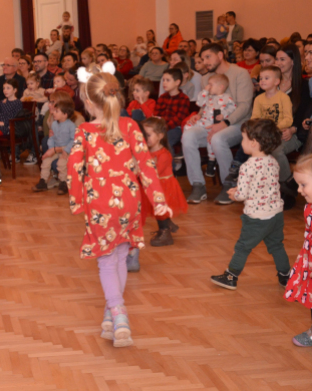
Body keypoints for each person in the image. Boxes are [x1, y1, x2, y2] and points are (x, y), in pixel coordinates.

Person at [67, 70, 170, 348]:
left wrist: (77, 201)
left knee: (105, 260)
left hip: (99, 202)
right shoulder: (131, 125)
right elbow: (146, 164)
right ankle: (111, 315)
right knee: (121, 256)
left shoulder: (85, 130)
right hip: (128, 200)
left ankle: (119, 313)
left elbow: (74, 168)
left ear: (88, 103)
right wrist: (158, 199)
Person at [210, 119, 288, 291]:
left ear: (253, 143)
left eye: (243, 139)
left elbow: (242, 194)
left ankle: (231, 276)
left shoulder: (247, 167)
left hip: (257, 217)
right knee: (277, 245)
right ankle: (285, 276)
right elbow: (263, 185)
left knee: (243, 247)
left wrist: (233, 193)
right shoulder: (273, 162)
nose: (241, 142)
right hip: (275, 214)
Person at [183, 43, 254, 204]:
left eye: (208, 57)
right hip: (210, 122)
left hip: (238, 124)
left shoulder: (240, 73)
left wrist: (225, 123)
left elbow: (245, 105)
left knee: (218, 138)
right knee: (188, 136)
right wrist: (198, 115)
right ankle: (198, 185)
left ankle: (229, 185)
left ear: (220, 55)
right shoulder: (205, 78)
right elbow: (207, 103)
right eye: (202, 58)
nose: (205, 62)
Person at [285, 151, 312, 347]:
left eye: (303, 185)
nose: (299, 190)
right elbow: (311, 235)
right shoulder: (310, 207)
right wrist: (306, 259)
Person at [140, 117, 187, 249]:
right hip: (155, 186)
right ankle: (168, 223)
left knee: (159, 209)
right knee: (157, 210)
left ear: (160, 136)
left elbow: (154, 173)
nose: (145, 138)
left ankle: (165, 233)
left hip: (164, 187)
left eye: (148, 135)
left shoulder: (164, 155)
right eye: (143, 135)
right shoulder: (148, 151)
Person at [187, 74, 236, 178]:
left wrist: (224, 115)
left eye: (210, 84)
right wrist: (204, 91)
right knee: (188, 127)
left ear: (221, 87)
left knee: (212, 139)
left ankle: (211, 160)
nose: (208, 86)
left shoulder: (227, 98)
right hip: (204, 121)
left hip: (214, 124)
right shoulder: (208, 97)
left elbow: (232, 108)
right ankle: (187, 148)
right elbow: (199, 103)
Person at [32, 99, 77, 195]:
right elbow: (52, 138)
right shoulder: (54, 124)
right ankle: (43, 181)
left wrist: (66, 150)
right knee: (46, 161)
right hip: (56, 149)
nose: (53, 113)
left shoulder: (71, 126)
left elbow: (74, 140)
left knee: (61, 163)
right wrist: (50, 148)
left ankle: (63, 182)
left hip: (67, 149)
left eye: (57, 111)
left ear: (65, 115)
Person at [154, 68, 190, 149]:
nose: (164, 83)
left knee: (166, 142)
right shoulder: (162, 97)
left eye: (168, 80)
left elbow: (179, 119)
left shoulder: (184, 98)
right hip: (161, 127)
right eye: (163, 80)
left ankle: (170, 162)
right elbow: (156, 114)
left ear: (177, 82)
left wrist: (164, 128)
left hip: (176, 128)